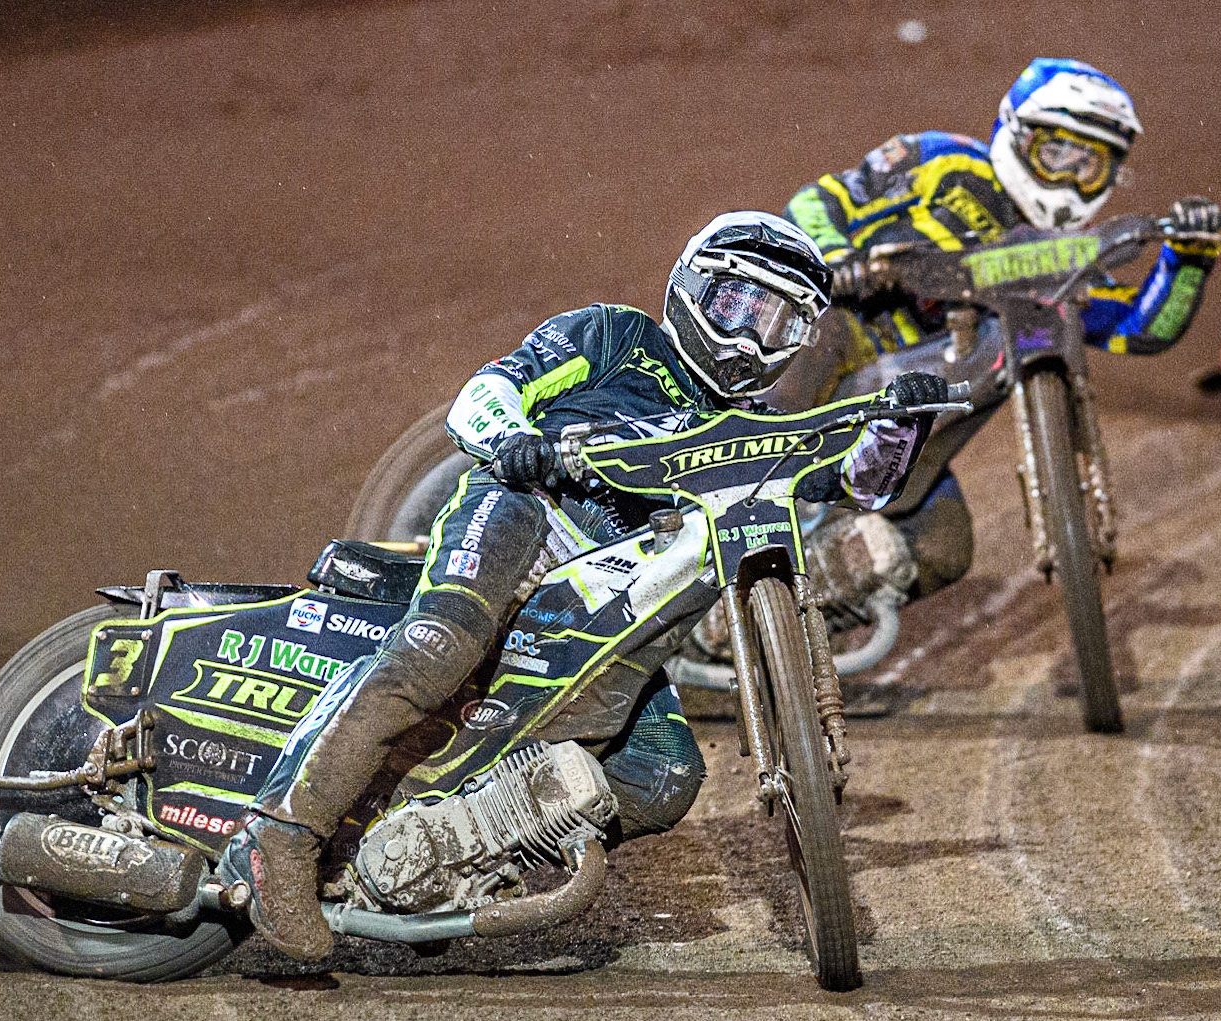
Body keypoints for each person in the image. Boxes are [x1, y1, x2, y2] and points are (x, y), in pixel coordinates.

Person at [218, 211, 950, 959]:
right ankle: (275, 839)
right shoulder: (614, 338)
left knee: (664, 774)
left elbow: (857, 484)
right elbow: (489, 389)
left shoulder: (752, 429)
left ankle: (445, 856)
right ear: (693, 288)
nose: (748, 341)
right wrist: (514, 440)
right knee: (442, 647)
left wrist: (901, 427)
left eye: (777, 324)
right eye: (738, 307)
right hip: (523, 517)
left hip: (604, 613)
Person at [779, 57, 1221, 602]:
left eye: (1089, 166)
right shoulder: (939, 161)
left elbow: (1139, 329)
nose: (1067, 178)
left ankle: (791, 625)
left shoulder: (1063, 258)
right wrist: (837, 256)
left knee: (944, 547)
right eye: (1056, 152)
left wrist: (1188, 259)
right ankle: (727, 474)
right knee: (821, 329)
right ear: (1016, 135)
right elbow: (817, 200)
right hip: (857, 346)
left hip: (909, 425)